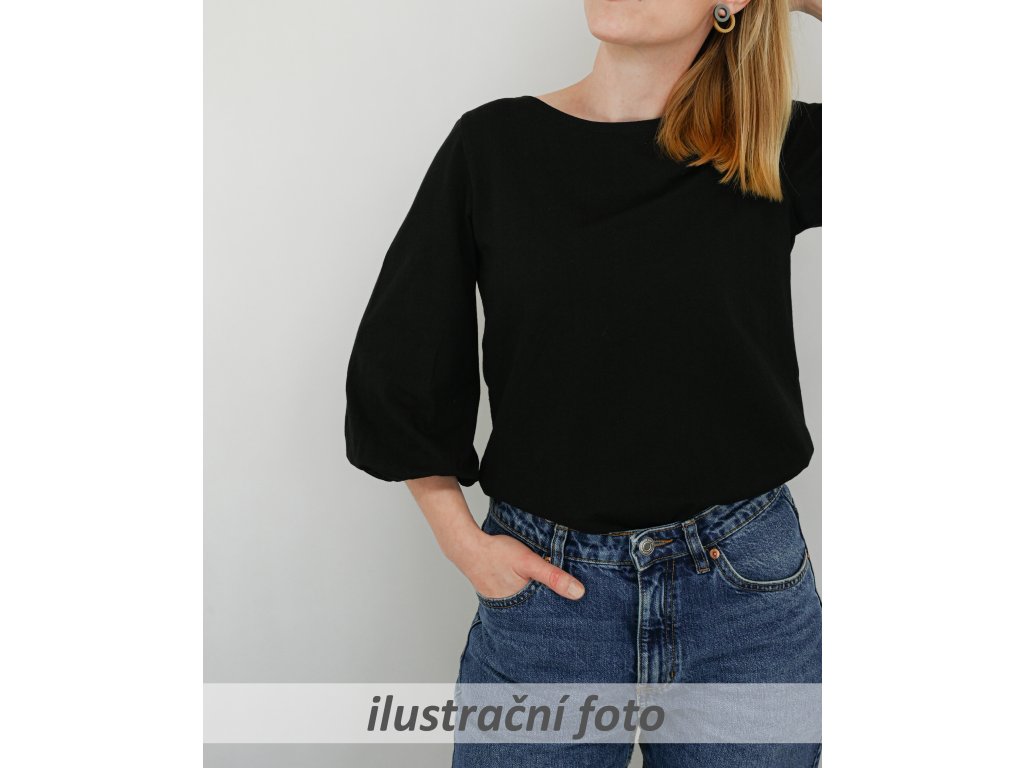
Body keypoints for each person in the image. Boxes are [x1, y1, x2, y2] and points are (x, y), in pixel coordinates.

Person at [345, 0, 823, 764]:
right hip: (548, 599)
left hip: (744, 597)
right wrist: (465, 546)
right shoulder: (493, 146)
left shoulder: (771, 149)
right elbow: (402, 362)